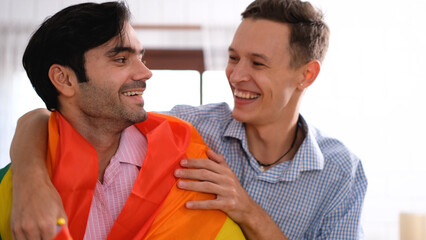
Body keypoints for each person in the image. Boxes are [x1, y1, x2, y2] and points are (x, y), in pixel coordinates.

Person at [6, 0, 368, 239]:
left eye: (257, 64)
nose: (236, 76)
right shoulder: (186, 131)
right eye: (233, 58)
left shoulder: (342, 173)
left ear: (306, 75)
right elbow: (69, 118)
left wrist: (246, 210)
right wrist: (30, 179)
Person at [0, 2, 245, 240]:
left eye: (141, 57)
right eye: (121, 59)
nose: (145, 73)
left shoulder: (187, 158)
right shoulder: (12, 190)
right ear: (64, 79)